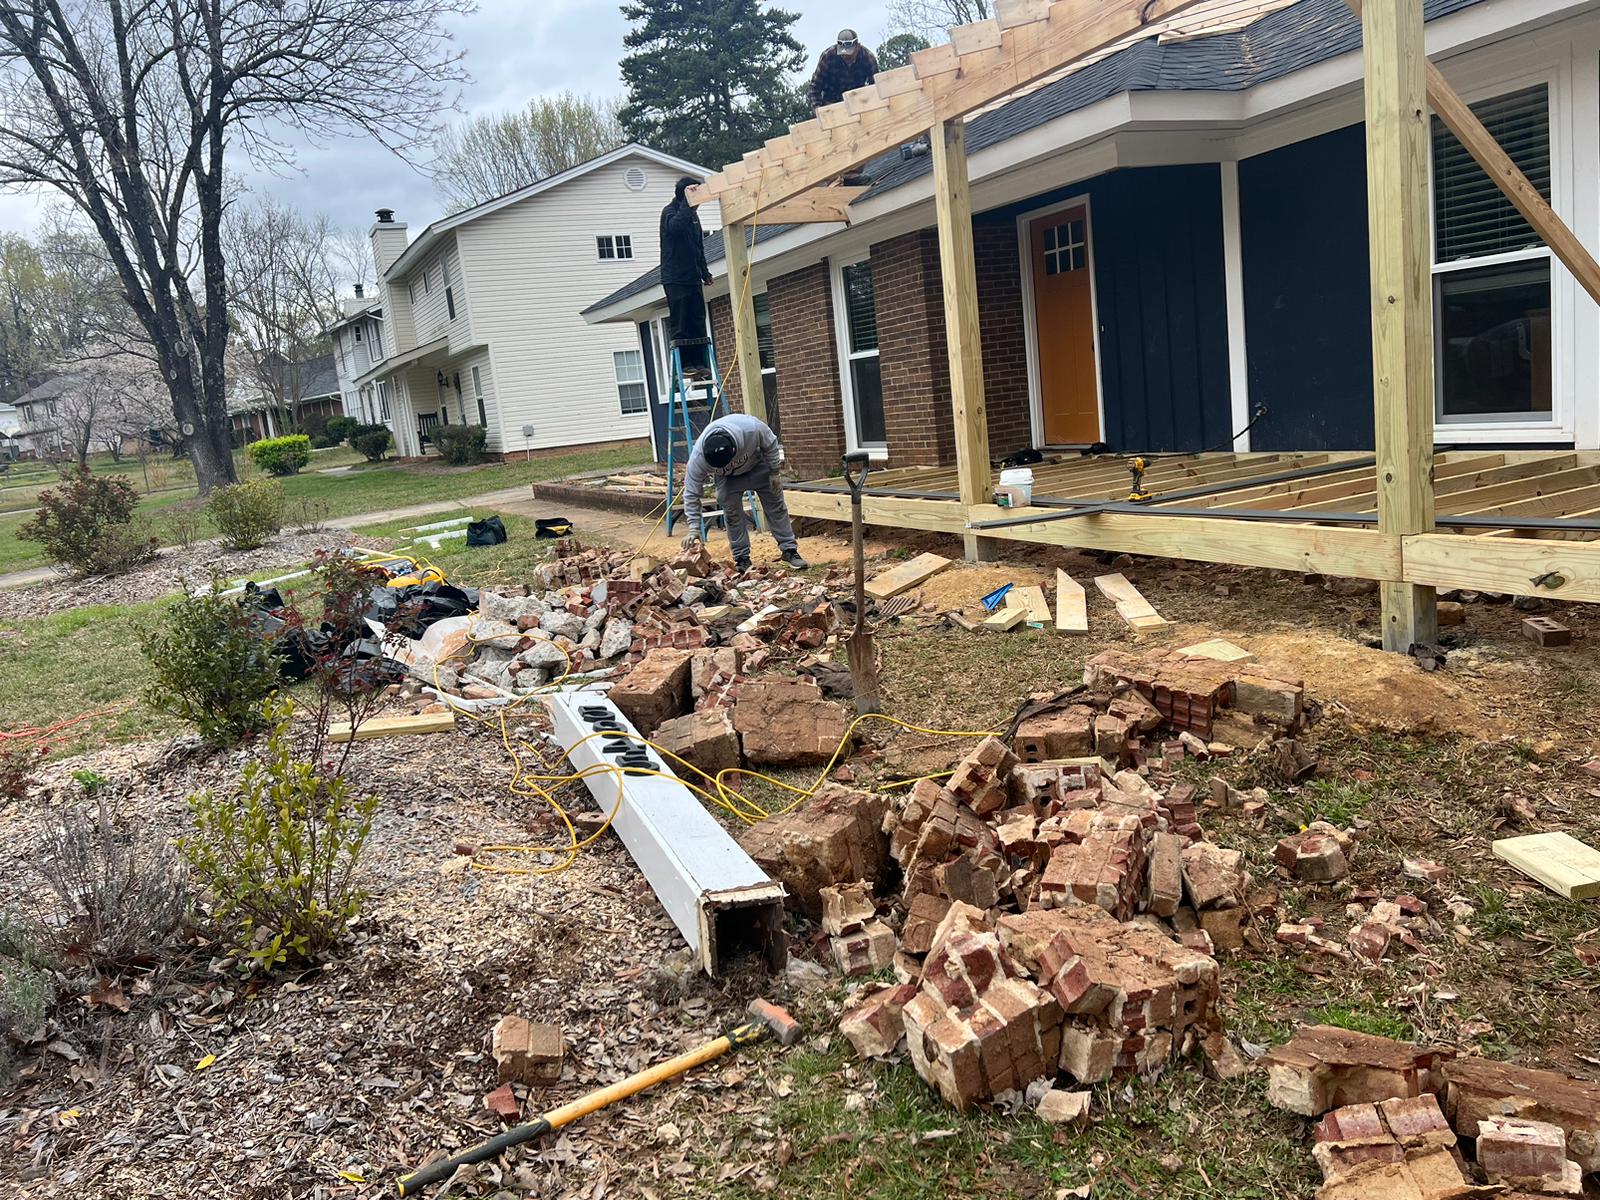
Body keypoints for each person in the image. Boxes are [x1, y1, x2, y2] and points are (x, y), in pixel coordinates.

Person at [680, 413, 809, 572]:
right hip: (728, 478)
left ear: (734, 449)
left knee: (776, 506)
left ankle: (789, 551)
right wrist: (693, 528)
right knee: (732, 514)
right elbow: (691, 493)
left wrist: (774, 472)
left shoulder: (751, 429)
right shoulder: (698, 458)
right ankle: (742, 559)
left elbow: (771, 443)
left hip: (757, 465)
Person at [660, 176, 714, 377]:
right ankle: (685, 365)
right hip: (675, 278)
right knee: (681, 323)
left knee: (697, 320)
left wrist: (704, 272)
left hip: (693, 277)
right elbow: (675, 228)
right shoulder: (670, 212)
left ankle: (699, 363)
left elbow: (698, 247)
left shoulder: (693, 217)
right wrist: (686, 202)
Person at [806, 28, 879, 112]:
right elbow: (814, 89)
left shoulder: (868, 58)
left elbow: (875, 87)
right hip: (831, 105)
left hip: (858, 104)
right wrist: (819, 111)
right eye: (843, 54)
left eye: (849, 53)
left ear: (858, 47)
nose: (846, 56)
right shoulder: (828, 57)